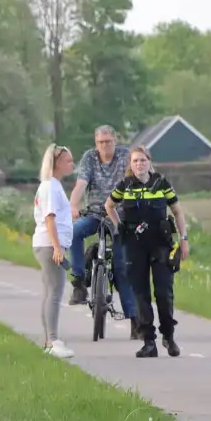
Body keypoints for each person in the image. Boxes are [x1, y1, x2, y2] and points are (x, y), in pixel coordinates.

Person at [105, 146, 190, 358]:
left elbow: (177, 211)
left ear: (149, 162)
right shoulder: (125, 186)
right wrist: (119, 226)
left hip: (161, 244)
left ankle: (168, 337)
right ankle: (149, 342)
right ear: (130, 165)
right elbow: (109, 206)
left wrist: (184, 239)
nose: (139, 164)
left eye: (143, 160)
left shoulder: (161, 184)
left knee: (163, 291)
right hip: (134, 245)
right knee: (140, 293)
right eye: (135, 161)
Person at [67, 125, 140, 339]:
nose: (104, 146)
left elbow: (137, 179)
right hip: (95, 213)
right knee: (74, 232)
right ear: (95, 143)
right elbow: (81, 185)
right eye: (100, 142)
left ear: (115, 141)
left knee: (121, 268)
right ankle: (79, 282)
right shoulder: (90, 158)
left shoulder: (126, 156)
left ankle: (135, 320)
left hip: (120, 217)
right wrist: (73, 205)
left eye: (108, 141)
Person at [32, 143, 76, 359]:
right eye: (68, 161)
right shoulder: (50, 186)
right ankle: (53, 340)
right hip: (49, 245)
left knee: (50, 291)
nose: (72, 164)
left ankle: (50, 339)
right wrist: (57, 247)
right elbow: (50, 218)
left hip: (49, 244)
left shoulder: (54, 185)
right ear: (57, 163)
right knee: (55, 291)